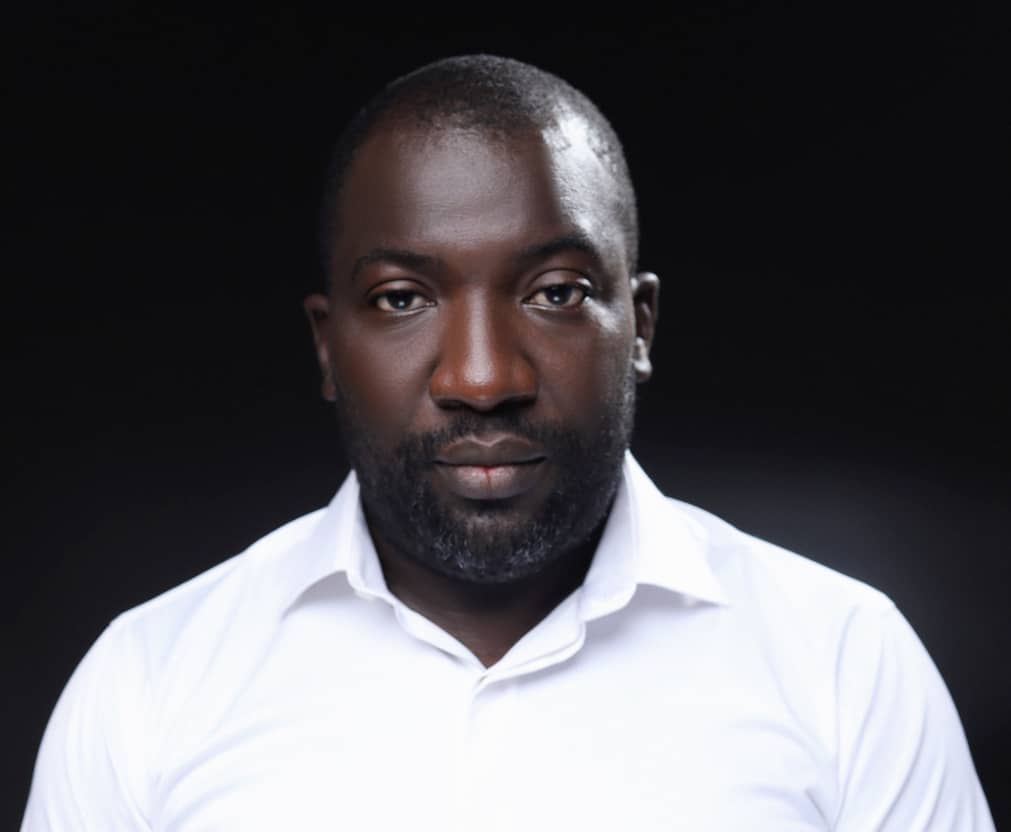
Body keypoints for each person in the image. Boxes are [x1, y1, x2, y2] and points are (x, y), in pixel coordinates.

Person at [22, 54, 994, 831]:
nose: (482, 379)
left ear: (640, 326)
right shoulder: (150, 682)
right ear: (327, 346)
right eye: (402, 299)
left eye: (555, 292)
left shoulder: (843, 662)